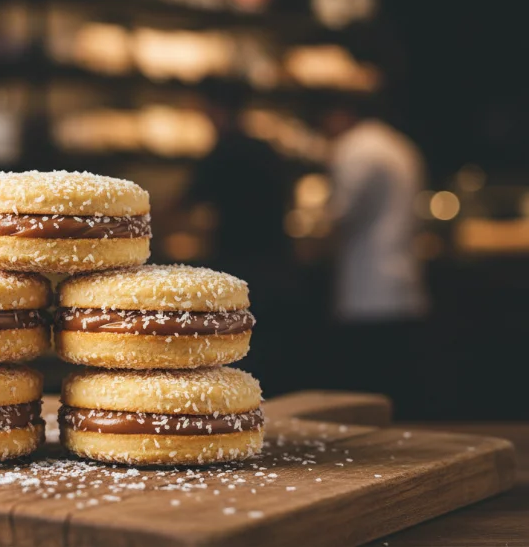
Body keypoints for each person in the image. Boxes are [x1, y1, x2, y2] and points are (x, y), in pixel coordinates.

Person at [176, 81, 295, 392]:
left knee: (238, 353)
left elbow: (186, 202)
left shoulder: (223, 151)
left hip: (239, 265)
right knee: (270, 353)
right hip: (277, 261)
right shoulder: (267, 150)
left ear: (214, 110)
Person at [321, 104, 428, 410]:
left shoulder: (356, 149)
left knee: (369, 385)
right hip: (404, 276)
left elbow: (342, 214)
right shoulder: (400, 146)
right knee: (402, 382)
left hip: (368, 284)